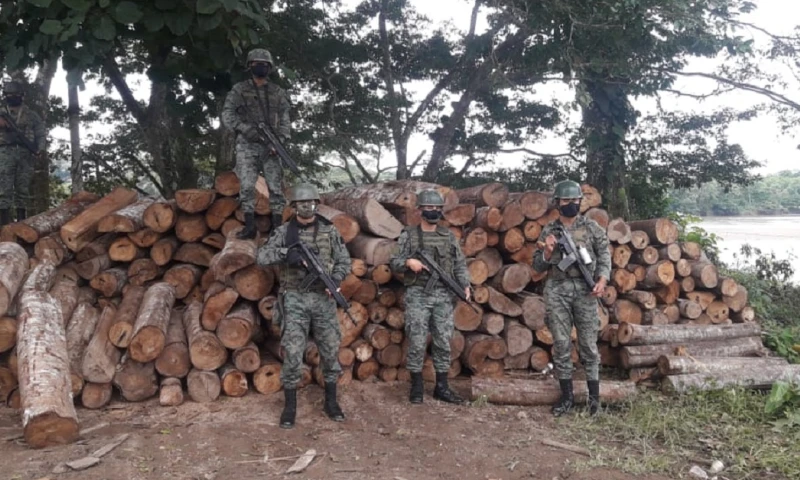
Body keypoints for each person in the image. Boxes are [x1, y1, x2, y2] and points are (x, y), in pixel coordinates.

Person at [257, 183, 351, 429]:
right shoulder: (285, 232)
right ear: (294, 206)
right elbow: (262, 257)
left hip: (323, 299)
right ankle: (290, 406)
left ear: (316, 204)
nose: (307, 206)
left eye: (311, 202)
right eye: (302, 203)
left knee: (330, 350)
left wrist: (336, 281)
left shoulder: (329, 231)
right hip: (295, 299)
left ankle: (331, 401)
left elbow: (343, 261)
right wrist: (287, 254)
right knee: (293, 351)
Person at [532, 180, 611, 416]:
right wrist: (547, 252)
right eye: (566, 201)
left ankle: (594, 400)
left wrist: (602, 280)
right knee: (561, 343)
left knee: (588, 344)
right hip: (557, 289)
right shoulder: (549, 230)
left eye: (575, 201)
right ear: (557, 203)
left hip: (586, 291)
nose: (571, 205)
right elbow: (536, 267)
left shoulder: (592, 228)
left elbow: (605, 256)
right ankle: (566, 397)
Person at [390, 190, 470, 405]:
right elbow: (394, 262)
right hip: (418, 294)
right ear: (420, 210)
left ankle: (441, 386)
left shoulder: (448, 236)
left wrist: (465, 284)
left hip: (443, 295)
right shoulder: (409, 235)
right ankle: (416, 385)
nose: (433, 212)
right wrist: (408, 262)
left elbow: (459, 263)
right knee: (416, 339)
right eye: (429, 208)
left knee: (444, 340)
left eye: (437, 208)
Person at [221, 48, 291, 239]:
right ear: (250, 66)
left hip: (272, 144)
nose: (261, 67)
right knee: (246, 185)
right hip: (247, 144)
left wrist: (281, 140)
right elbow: (227, 114)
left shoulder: (278, 92)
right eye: (257, 64)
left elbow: (285, 118)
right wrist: (244, 129)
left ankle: (277, 228)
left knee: (276, 187)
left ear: (270, 68)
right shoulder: (239, 90)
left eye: (265, 64)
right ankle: (249, 226)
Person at [0, 81, 45, 225]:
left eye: (16, 94)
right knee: (3, 190)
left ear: (22, 96)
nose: (13, 97)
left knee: (23, 189)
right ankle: (3, 225)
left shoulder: (31, 115)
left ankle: (21, 223)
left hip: (25, 154)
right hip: (4, 153)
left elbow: (40, 134)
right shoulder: (2, 113)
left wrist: (40, 149)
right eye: (10, 95)